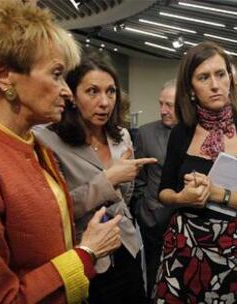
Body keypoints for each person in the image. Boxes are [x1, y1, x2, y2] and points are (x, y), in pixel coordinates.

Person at [0, 1, 122, 303]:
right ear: (3, 74)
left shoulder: (32, 144)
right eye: (57, 74)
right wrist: (86, 253)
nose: (66, 90)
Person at [152, 42, 237, 303]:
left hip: (229, 245)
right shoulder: (182, 131)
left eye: (221, 74)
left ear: (230, 79)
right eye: (203, 77)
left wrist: (217, 193)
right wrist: (180, 198)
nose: (215, 84)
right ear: (191, 88)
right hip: (182, 243)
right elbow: (163, 191)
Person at [35, 55, 157, 304]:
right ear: (72, 94)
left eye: (111, 92)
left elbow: (125, 195)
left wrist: (119, 180)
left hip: (127, 244)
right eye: (92, 91)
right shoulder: (49, 141)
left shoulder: (120, 135)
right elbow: (58, 210)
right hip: (86, 253)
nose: (104, 102)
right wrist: (108, 179)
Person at [132, 79, 177, 297]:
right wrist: (143, 210)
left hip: (187, 224)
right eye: (161, 104)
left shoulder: (198, 134)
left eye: (169, 105)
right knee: (153, 281)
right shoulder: (145, 133)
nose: (163, 110)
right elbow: (138, 178)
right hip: (154, 223)